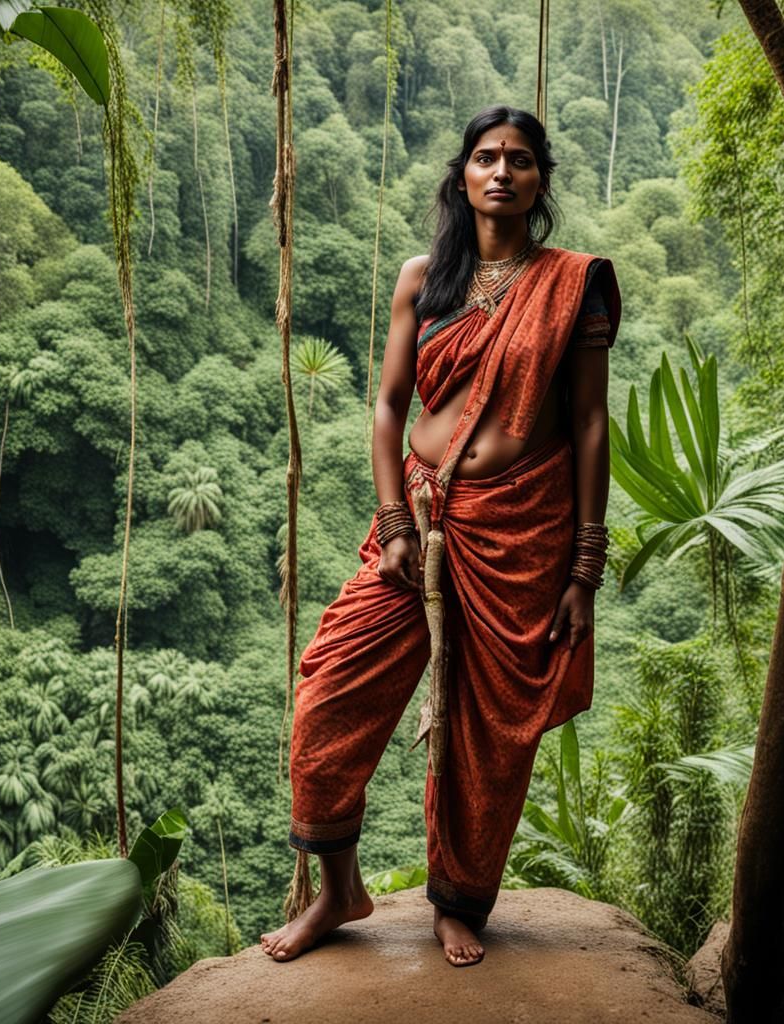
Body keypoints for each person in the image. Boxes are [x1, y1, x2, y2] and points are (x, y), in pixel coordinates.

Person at [260, 105, 621, 967]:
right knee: (328, 692)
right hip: (416, 518)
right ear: (462, 175)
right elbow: (388, 407)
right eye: (487, 157)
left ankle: (457, 902)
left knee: (487, 738)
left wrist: (584, 567)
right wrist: (389, 522)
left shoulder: (574, 284)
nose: (502, 171)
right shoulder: (424, 279)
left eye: (521, 160)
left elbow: (591, 423)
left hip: (519, 532)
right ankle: (338, 890)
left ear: (541, 181)